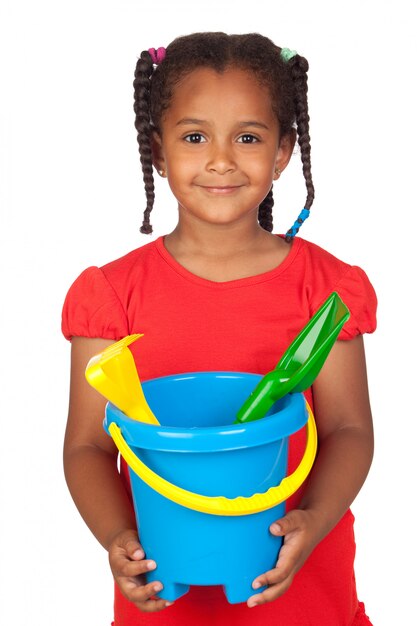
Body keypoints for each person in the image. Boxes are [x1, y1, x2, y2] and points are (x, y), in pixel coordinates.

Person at [62, 32, 377, 626]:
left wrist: (312, 520)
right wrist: (119, 541)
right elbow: (87, 445)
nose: (221, 159)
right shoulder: (111, 295)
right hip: (166, 595)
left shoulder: (326, 290)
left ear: (283, 151)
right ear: (158, 150)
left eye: (250, 137)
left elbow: (349, 429)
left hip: (303, 596)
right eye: (194, 136)